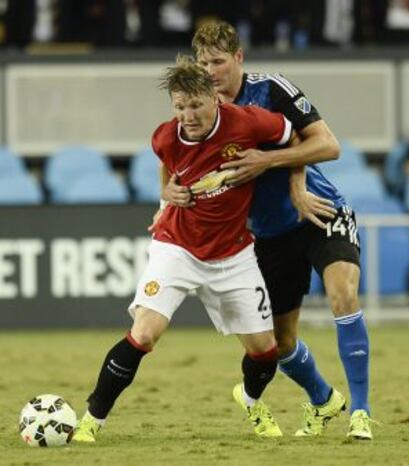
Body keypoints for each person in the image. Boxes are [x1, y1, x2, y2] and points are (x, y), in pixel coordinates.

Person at [74, 55, 299, 442]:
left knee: (266, 351)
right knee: (144, 334)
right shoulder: (164, 136)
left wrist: (274, 167)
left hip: (233, 254)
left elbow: (292, 138)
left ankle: (249, 400)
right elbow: (169, 163)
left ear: (215, 97)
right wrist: (166, 195)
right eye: (180, 107)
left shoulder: (248, 121)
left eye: (195, 105)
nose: (188, 116)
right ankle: (91, 422)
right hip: (176, 248)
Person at [185, 20, 372, 440]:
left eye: (218, 61)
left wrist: (276, 168)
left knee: (343, 293)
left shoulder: (271, 89)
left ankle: (362, 412)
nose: (211, 71)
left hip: (318, 210)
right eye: (203, 63)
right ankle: (324, 400)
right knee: (280, 343)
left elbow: (327, 144)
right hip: (267, 235)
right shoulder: (199, 110)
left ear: (238, 58)